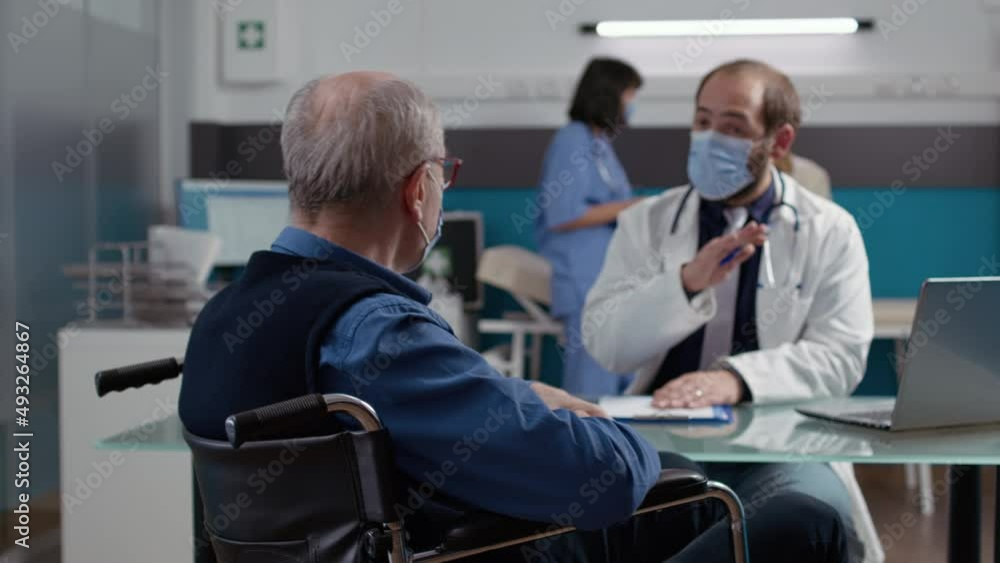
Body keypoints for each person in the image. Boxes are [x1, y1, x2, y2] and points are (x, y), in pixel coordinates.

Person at [179, 71, 847, 563]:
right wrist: (596, 423)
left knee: (691, 489)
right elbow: (604, 475)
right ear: (420, 190)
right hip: (476, 548)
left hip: (440, 533)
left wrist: (519, 398)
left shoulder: (223, 317)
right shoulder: (374, 330)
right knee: (802, 518)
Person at [583, 59, 874, 562]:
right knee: (600, 517)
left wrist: (736, 380)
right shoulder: (646, 224)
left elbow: (842, 356)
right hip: (664, 441)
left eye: (733, 127)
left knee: (810, 516)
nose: (710, 138)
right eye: (702, 122)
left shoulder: (831, 229)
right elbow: (605, 344)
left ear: (779, 143)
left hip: (783, 444)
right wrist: (685, 283)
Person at [535, 57, 645, 397]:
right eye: (629, 94)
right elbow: (563, 214)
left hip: (603, 271)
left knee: (618, 369)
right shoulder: (573, 140)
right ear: (610, 94)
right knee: (592, 378)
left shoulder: (600, 145)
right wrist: (632, 207)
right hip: (580, 271)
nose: (632, 103)